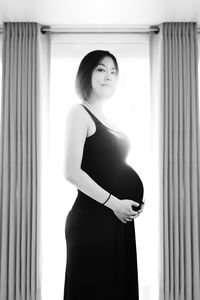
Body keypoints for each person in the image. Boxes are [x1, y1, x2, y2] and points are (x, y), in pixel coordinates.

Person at [63, 49, 145, 300]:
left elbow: (110, 167)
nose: (109, 75)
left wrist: (129, 204)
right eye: (101, 69)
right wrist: (115, 203)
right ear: (86, 74)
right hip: (92, 222)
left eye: (114, 71)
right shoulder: (79, 112)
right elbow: (71, 172)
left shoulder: (108, 118)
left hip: (116, 220)